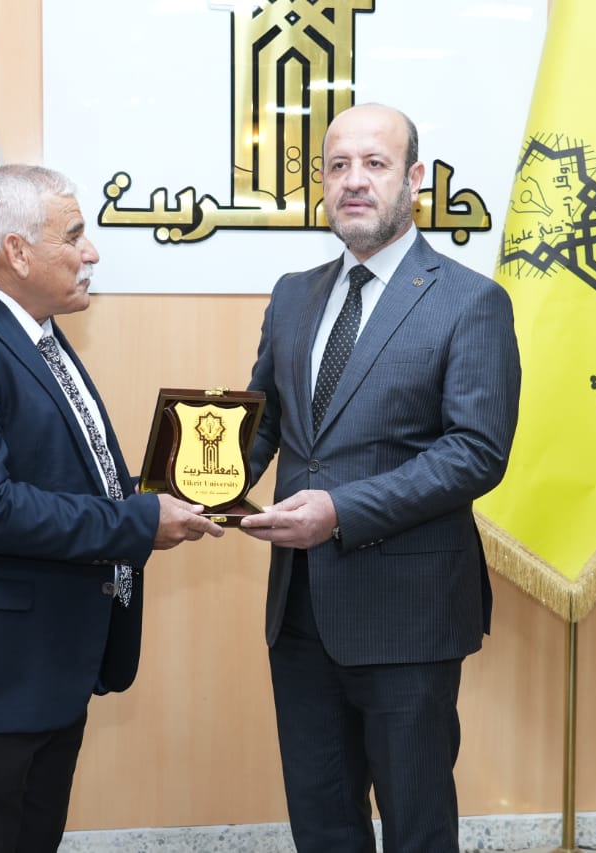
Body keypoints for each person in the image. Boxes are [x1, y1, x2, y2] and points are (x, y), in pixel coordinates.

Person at [0, 164, 224, 853]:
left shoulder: (38, 337)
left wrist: (160, 493)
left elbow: (69, 475)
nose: (92, 252)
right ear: (18, 251)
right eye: (75, 235)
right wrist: (140, 522)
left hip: (40, 679)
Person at [240, 104, 522, 852]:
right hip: (300, 610)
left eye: (375, 164)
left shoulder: (471, 301)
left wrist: (340, 510)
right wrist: (195, 484)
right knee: (322, 824)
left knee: (416, 825)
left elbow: (476, 452)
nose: (354, 181)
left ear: (414, 179)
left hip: (409, 614)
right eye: (338, 167)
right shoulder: (293, 293)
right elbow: (265, 422)